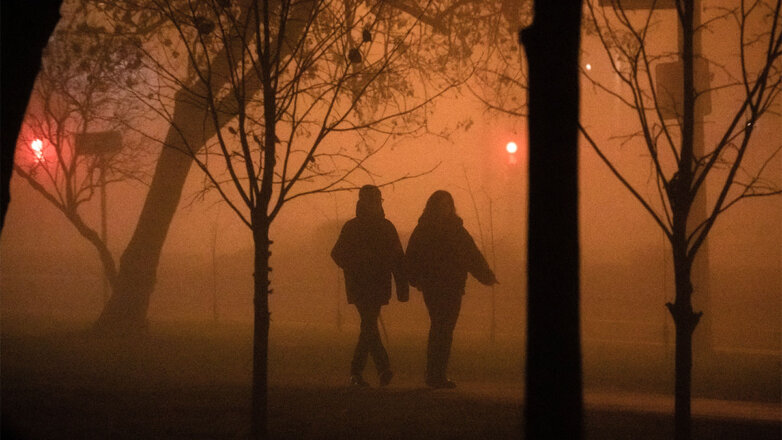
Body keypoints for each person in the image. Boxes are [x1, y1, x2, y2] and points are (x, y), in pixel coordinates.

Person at [405, 190, 497, 389]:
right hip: (433, 286)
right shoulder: (425, 229)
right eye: (441, 205)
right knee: (441, 326)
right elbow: (412, 257)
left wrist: (485, 275)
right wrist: (417, 280)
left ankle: (437, 373)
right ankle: (434, 374)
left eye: (448, 205)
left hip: (454, 286)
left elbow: (471, 254)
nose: (445, 209)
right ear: (434, 206)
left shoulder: (456, 230)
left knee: (445, 328)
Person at [331, 185, 409, 387]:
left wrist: (402, 286)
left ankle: (368, 371)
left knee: (369, 326)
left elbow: (398, 259)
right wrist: (358, 260)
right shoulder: (354, 227)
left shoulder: (384, 227)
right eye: (372, 200)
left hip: (377, 284)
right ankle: (370, 370)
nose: (375, 204)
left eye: (377, 200)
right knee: (369, 324)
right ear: (363, 202)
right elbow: (338, 254)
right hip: (361, 284)